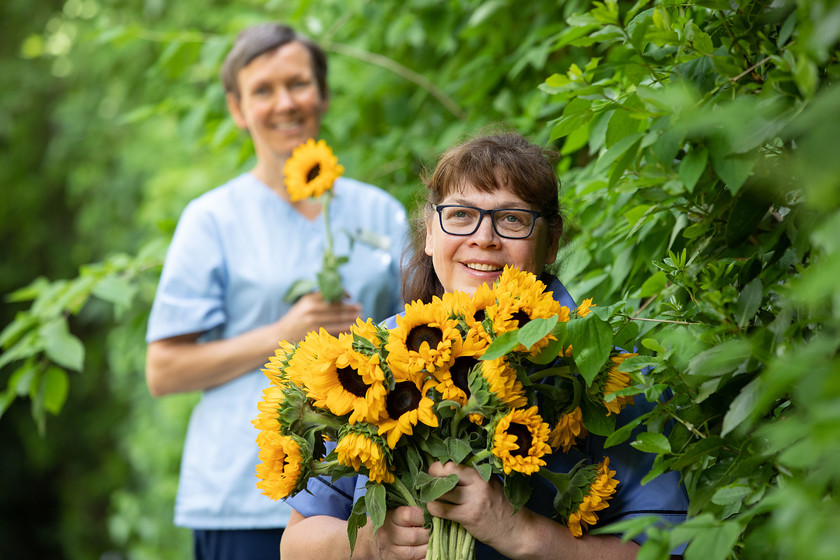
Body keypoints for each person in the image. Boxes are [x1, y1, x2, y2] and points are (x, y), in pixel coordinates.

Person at [280, 131, 689, 560]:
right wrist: (369, 544)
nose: (484, 238)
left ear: (551, 241)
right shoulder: (367, 361)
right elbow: (295, 545)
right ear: (429, 235)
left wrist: (523, 534)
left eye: (512, 218)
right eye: (459, 215)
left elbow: (668, 551)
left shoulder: (606, 372)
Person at [144, 23, 409, 560]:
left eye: (298, 83)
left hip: (359, 501)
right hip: (243, 495)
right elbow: (163, 369)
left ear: (324, 94)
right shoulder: (211, 220)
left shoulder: (380, 212)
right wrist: (284, 335)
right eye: (262, 90)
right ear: (238, 109)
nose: (284, 102)